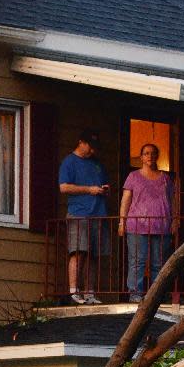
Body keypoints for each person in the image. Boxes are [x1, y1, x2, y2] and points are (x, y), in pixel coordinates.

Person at [118, 143, 175, 303]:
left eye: (153, 153)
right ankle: (135, 294)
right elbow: (126, 201)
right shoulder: (133, 176)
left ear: (157, 156)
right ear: (141, 157)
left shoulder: (165, 178)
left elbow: (172, 200)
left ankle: (155, 295)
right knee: (137, 261)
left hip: (161, 225)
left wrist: (175, 220)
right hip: (137, 225)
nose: (149, 156)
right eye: (146, 153)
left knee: (159, 263)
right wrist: (121, 223)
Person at [58, 130, 110, 305]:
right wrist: (89, 190)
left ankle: (89, 292)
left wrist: (104, 189)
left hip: (98, 213)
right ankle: (74, 291)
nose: (92, 151)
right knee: (78, 251)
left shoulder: (97, 164)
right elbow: (64, 187)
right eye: (90, 146)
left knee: (93, 255)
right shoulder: (69, 161)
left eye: (95, 148)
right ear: (81, 142)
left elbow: (101, 183)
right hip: (79, 213)